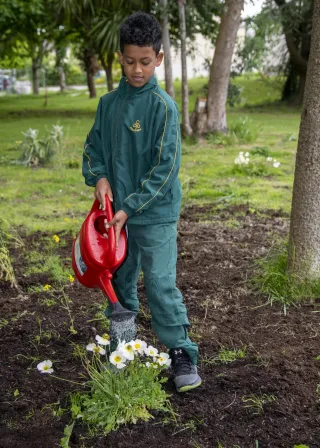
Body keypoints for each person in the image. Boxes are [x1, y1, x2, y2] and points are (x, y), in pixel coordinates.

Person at [82, 12, 201, 393]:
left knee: (161, 284)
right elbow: (92, 149)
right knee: (119, 279)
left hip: (155, 216)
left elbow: (165, 168)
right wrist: (99, 178)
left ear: (159, 59)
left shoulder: (163, 108)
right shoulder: (108, 104)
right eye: (130, 61)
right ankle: (122, 346)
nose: (137, 69)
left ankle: (181, 353)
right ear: (120, 57)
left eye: (145, 62)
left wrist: (129, 207)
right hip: (114, 219)